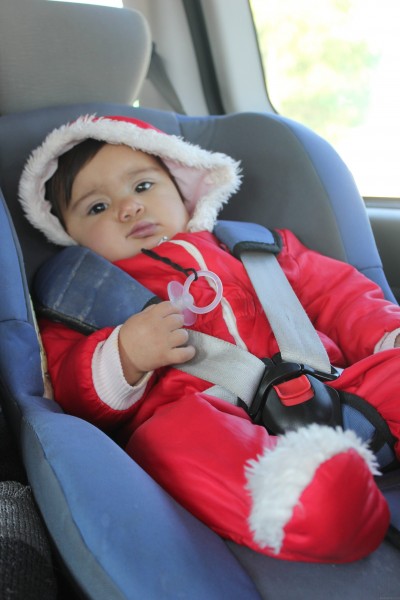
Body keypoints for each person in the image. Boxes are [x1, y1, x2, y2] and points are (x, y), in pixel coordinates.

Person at [18, 114, 400, 564]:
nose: (128, 208)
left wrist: (386, 335)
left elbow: (341, 295)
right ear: (69, 234)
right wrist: (125, 356)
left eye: (142, 187)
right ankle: (311, 499)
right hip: (206, 414)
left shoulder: (255, 247)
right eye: (96, 207)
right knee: (168, 440)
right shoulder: (80, 299)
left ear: (183, 191)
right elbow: (66, 386)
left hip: (332, 382)